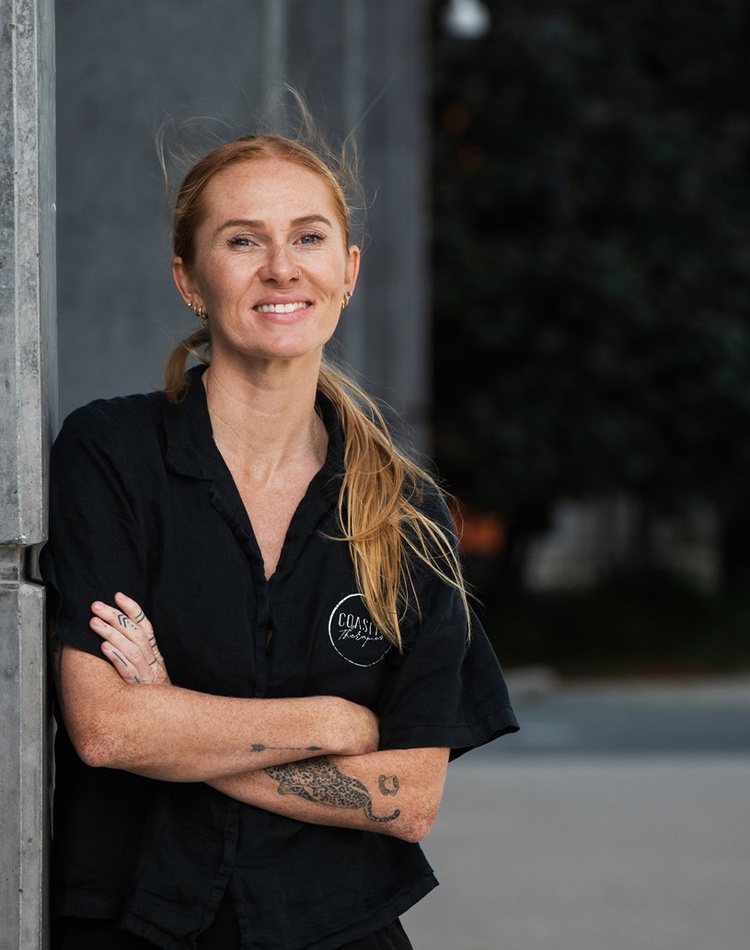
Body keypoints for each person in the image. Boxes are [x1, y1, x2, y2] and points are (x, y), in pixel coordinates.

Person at [41, 128, 518, 950]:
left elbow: (407, 798)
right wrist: (335, 723)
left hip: (337, 926)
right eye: (242, 241)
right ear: (189, 280)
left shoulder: (407, 513)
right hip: (134, 921)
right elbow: (107, 731)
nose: (281, 267)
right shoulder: (111, 455)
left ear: (349, 273)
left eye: (308, 237)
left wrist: (175, 721)